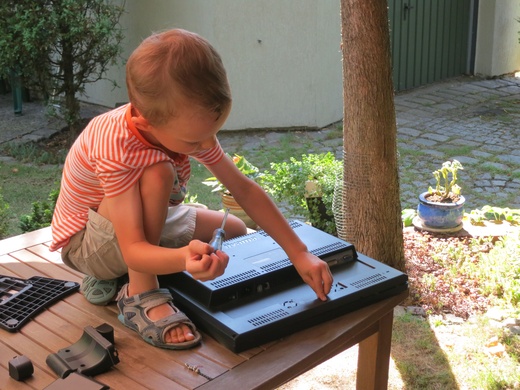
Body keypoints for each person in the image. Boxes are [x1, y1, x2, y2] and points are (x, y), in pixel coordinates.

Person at [50, 28, 333, 350]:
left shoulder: (185, 127)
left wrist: (299, 252)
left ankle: (117, 278)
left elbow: (244, 190)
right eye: (192, 142)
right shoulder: (117, 146)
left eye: (211, 133)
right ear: (145, 124)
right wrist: (183, 259)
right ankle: (140, 293)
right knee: (158, 171)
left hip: (129, 224)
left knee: (237, 229)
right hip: (87, 246)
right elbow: (133, 249)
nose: (203, 146)